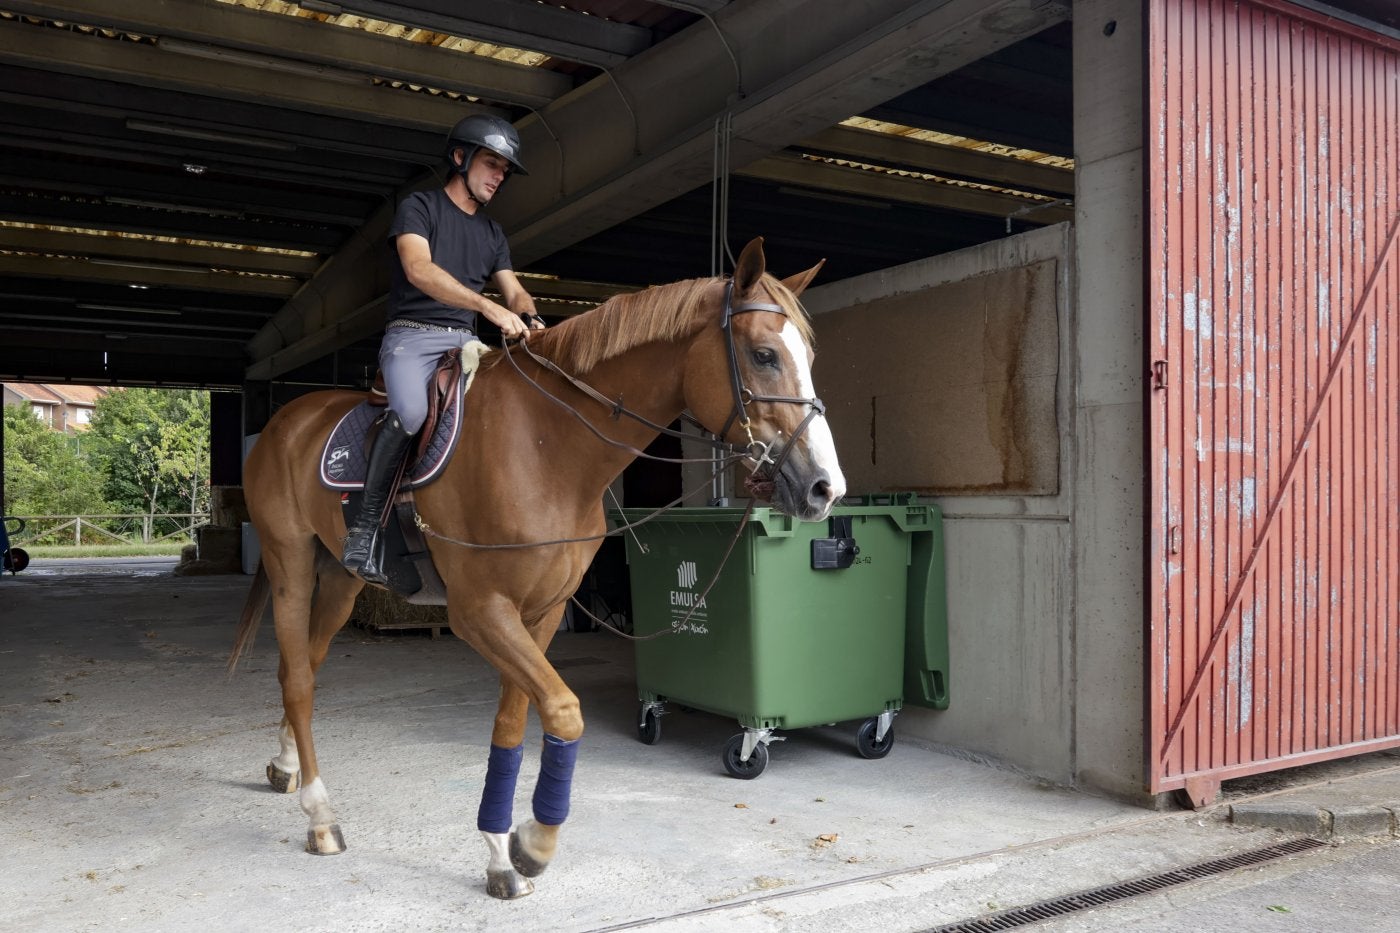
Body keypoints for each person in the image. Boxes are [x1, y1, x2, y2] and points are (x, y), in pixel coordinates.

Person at [341, 113, 545, 584]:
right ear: (460, 158)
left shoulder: (493, 234)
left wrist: (527, 312)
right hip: (412, 335)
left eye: (504, 170)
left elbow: (513, 290)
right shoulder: (419, 208)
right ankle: (365, 532)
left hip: (466, 344)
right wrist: (489, 309)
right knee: (411, 412)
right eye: (492, 164)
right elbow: (420, 270)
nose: (499, 176)